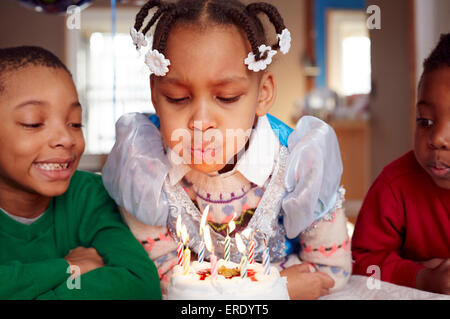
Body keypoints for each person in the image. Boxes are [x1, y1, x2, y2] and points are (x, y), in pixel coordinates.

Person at [102, 0, 351, 300]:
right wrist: (272, 291)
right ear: (155, 94)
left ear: (264, 94)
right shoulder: (143, 165)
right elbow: (162, 278)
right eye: (178, 98)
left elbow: (329, 272)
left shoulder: (299, 163)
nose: (201, 123)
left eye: (228, 97)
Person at [0, 46, 161, 300]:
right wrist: (66, 268)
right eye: (33, 122)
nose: (66, 138)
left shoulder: (90, 195)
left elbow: (140, 285)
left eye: (75, 122)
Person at [352, 33, 450, 295]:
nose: (437, 139)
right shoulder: (395, 185)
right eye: (425, 121)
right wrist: (420, 277)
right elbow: (362, 262)